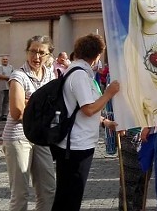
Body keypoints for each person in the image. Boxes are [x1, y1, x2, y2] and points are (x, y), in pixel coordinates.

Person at [51, 34, 120, 211]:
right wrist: (109, 94)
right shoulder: (79, 75)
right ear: (97, 55)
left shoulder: (78, 71)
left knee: (67, 196)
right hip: (75, 146)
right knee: (70, 198)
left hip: (77, 143)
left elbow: (80, 109)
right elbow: (87, 109)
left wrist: (104, 122)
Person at [2, 36, 57, 211]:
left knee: (48, 190)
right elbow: (17, 112)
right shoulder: (18, 76)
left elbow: (55, 106)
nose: (37, 56)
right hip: (18, 137)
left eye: (42, 52)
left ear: (49, 55)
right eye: (33, 51)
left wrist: (31, 105)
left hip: (41, 137)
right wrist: (42, 107)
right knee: (20, 194)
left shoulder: (50, 74)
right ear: (27, 52)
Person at [0, 56, 14, 122]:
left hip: (8, 87)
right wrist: (9, 77)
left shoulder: (11, 67)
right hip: (0, 87)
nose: (5, 60)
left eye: (6, 59)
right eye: (3, 59)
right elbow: (0, 76)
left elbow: (14, 75)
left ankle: (5, 115)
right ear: (1, 60)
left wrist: (10, 77)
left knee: (6, 102)